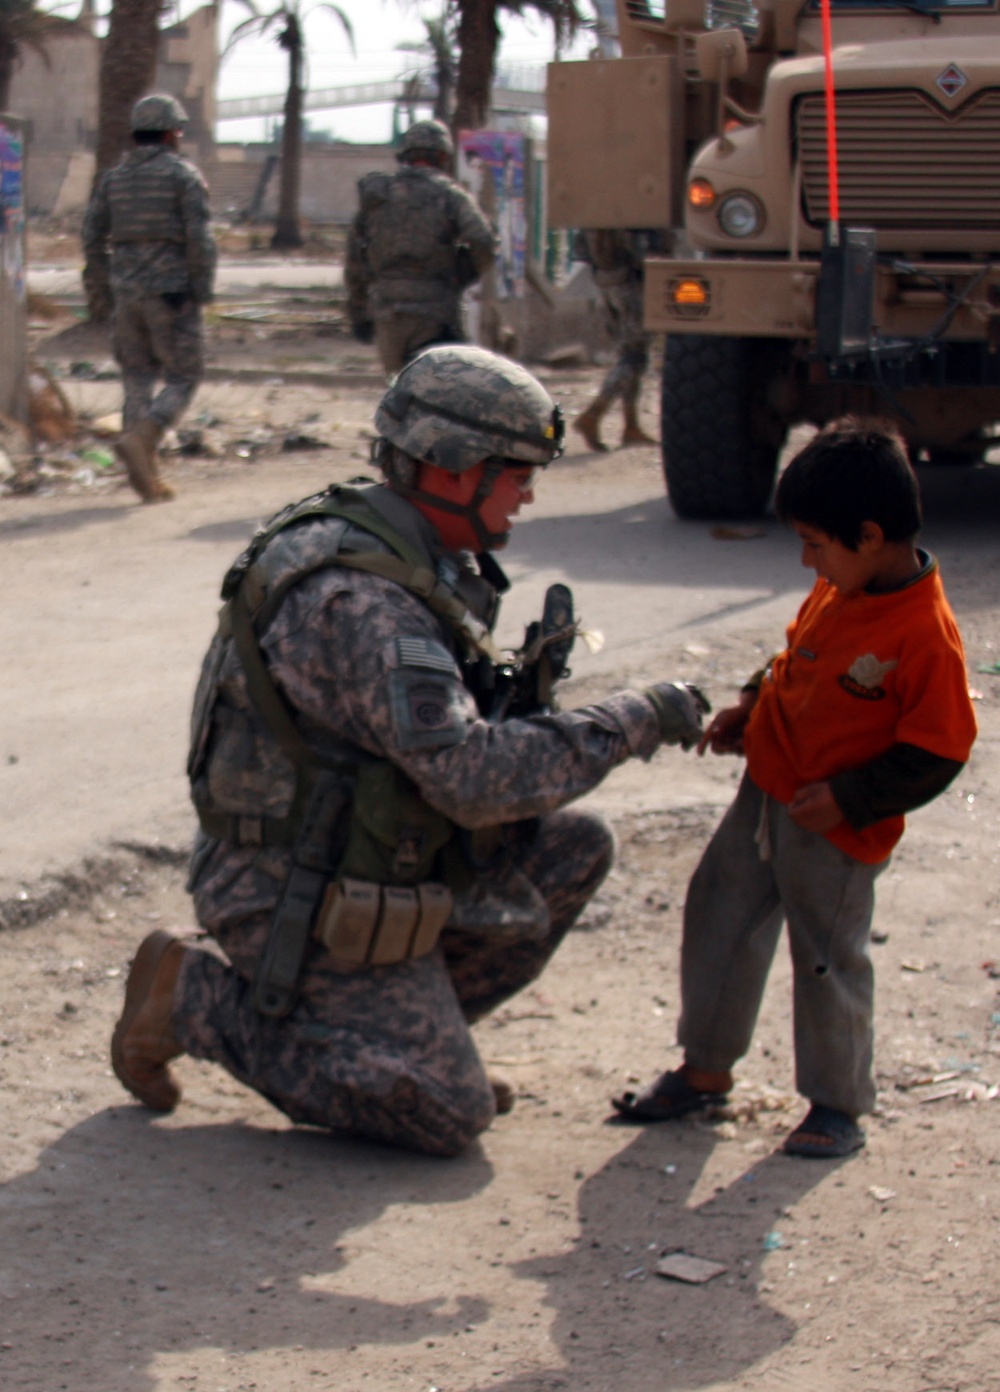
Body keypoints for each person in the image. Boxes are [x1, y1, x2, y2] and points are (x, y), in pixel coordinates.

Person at [110, 345, 712, 1157]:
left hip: (364, 856)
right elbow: (473, 777)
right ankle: (193, 1003)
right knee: (447, 1114)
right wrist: (633, 720)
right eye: (518, 471)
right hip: (288, 884)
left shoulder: (401, 544)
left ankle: (391, 1048)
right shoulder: (364, 600)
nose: (530, 492)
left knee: (572, 850)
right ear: (456, 469)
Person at [613, 418, 977, 1157]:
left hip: (837, 827)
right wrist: (750, 710)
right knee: (719, 918)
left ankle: (836, 1104)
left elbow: (939, 750)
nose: (809, 560)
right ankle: (705, 1070)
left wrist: (851, 799)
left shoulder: (923, 633)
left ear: (869, 536)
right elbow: (794, 660)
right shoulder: (841, 588)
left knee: (826, 956)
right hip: (767, 792)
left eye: (816, 543)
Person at [82, 93, 216, 504]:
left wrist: (103, 290)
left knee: (137, 379)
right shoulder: (182, 176)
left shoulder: (113, 178)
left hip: (127, 296)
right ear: (172, 132)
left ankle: (147, 477)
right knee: (183, 376)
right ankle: (145, 438)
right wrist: (201, 290)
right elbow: (200, 240)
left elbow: (91, 238)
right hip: (171, 295)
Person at [344, 119, 497, 376]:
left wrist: (358, 310)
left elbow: (355, 260)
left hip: (387, 311)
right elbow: (483, 241)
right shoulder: (450, 195)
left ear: (406, 155)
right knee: (440, 392)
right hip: (436, 311)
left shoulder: (379, 196)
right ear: (442, 157)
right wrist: (463, 273)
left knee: (399, 392)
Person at [573, 229, 658, 452]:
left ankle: (631, 426)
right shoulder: (628, 210)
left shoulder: (597, 209)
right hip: (631, 284)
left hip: (605, 282)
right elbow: (643, 251)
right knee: (635, 357)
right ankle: (594, 413)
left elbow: (579, 249)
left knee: (628, 352)